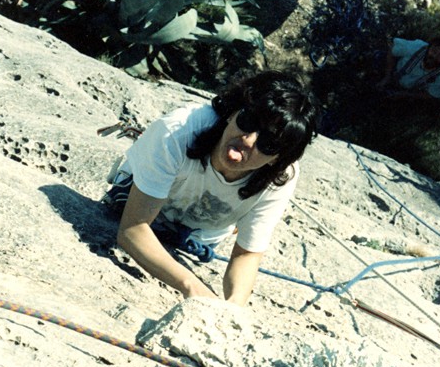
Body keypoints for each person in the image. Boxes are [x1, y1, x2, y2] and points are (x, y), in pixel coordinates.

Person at [101, 71, 319, 306]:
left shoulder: (281, 177)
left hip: (200, 233)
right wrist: (193, 287)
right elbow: (132, 229)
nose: (248, 140)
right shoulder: (178, 130)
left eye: (267, 143)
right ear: (232, 112)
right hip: (135, 198)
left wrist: (233, 307)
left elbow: (246, 254)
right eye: (248, 121)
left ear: (277, 159)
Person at [375, 36, 440, 100]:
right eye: (434, 51)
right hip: (393, 71)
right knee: (377, 57)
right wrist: (387, 76)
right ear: (428, 48)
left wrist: (406, 95)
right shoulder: (416, 47)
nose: (434, 56)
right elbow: (392, 49)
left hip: (409, 92)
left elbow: (432, 95)